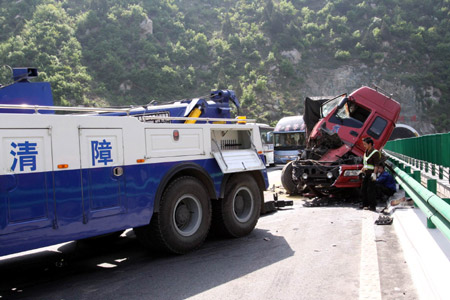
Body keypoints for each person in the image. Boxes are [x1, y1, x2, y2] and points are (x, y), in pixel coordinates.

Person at [360, 137, 381, 211]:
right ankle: (365, 205)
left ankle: (372, 206)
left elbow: (376, 165)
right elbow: (365, 163)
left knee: (370, 190)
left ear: (370, 144)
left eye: (365, 144)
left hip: (371, 174)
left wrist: (374, 174)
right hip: (365, 173)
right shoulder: (366, 152)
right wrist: (362, 170)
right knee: (363, 189)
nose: (364, 146)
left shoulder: (375, 153)